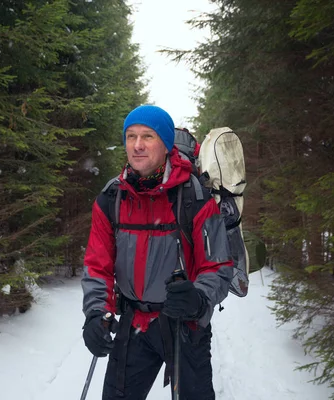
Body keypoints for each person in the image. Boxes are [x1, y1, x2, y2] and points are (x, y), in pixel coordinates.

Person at [81, 105, 233, 400]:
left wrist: (199, 298)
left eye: (147, 136)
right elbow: (97, 265)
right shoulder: (111, 197)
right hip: (134, 322)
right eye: (131, 136)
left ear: (165, 144)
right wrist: (95, 314)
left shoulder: (195, 197)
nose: (137, 145)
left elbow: (218, 266)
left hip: (185, 327)